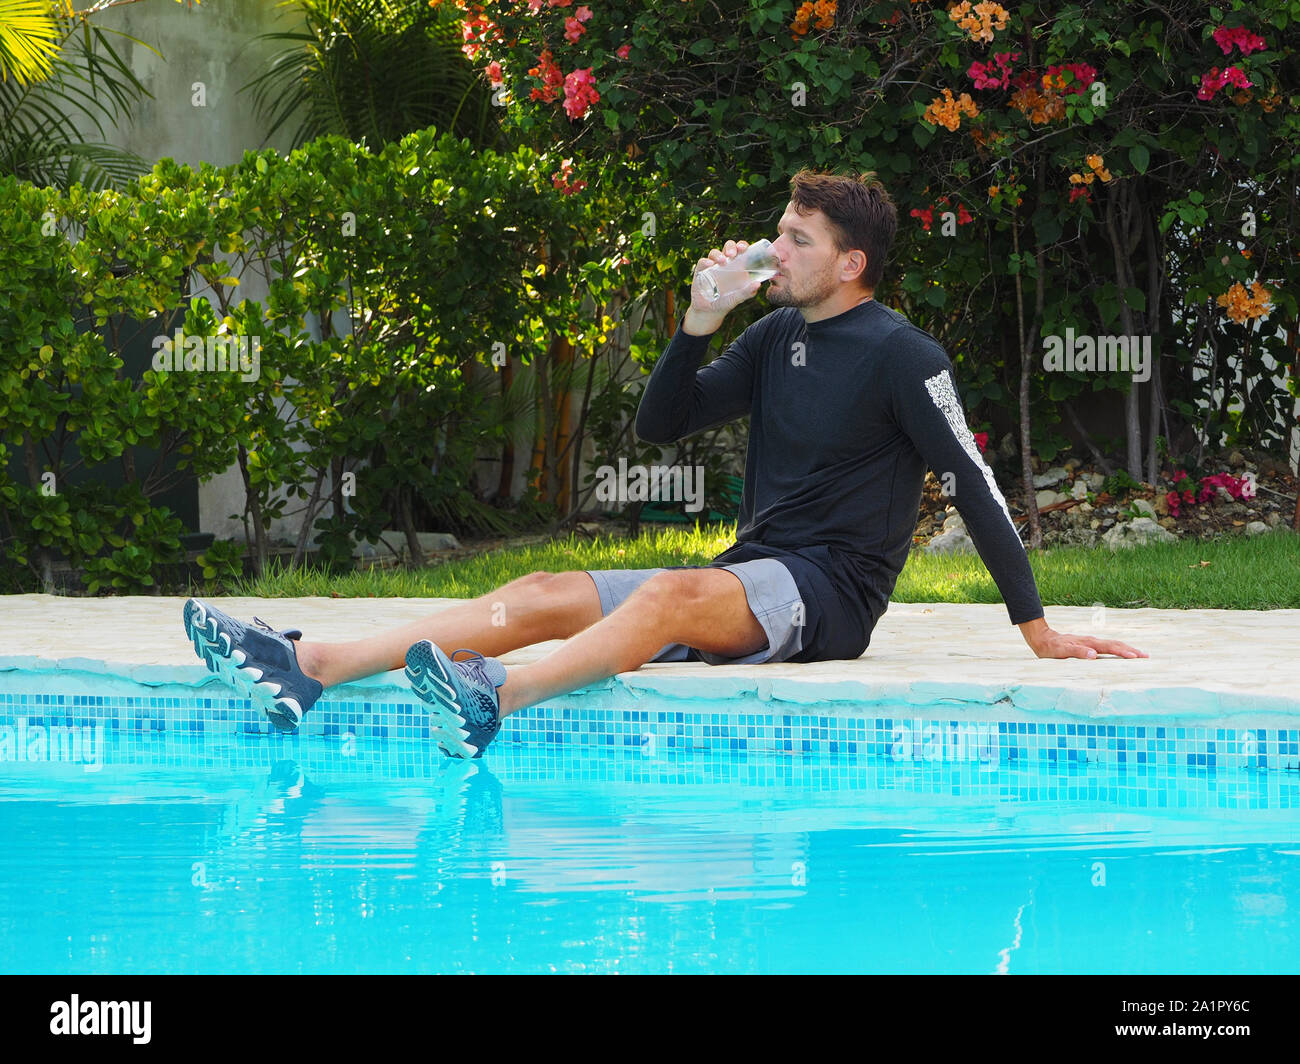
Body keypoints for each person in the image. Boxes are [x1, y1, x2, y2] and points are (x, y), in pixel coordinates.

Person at [183, 168, 1146, 759]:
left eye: (797, 240)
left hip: (830, 594)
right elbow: (661, 424)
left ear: (851, 263)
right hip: (751, 574)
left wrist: (1037, 628)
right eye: (781, 229)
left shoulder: (906, 355)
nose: (775, 249)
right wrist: (698, 321)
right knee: (549, 585)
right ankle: (310, 664)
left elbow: (973, 483)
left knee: (670, 597)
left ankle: (494, 699)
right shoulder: (774, 338)